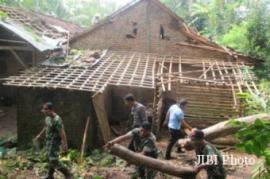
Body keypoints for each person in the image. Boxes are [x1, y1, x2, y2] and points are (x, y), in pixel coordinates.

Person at [34, 102, 72, 179]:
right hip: (48, 141)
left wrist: (64, 144)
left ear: (51, 110)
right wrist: (40, 135)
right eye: (43, 109)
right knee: (50, 158)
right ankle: (50, 175)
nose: (44, 111)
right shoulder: (47, 118)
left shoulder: (57, 120)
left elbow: (62, 133)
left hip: (54, 143)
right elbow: (45, 127)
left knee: (54, 159)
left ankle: (67, 173)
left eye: (46, 109)